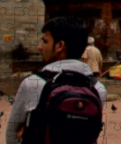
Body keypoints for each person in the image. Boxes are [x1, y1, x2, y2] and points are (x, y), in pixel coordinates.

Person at [6, 16, 107, 144]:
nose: (40, 47)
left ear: (60, 45)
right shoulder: (98, 89)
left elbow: (11, 136)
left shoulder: (33, 83)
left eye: (45, 41)